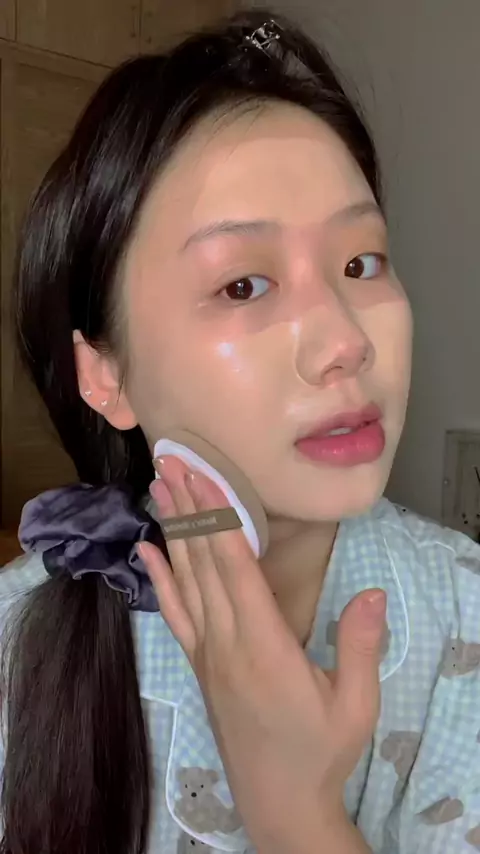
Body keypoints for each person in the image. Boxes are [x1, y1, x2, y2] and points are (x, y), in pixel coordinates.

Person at [0, 8, 478, 854]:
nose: (346, 343)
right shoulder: (17, 633)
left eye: (360, 263)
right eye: (243, 286)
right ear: (105, 375)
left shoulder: (464, 615)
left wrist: (299, 813)